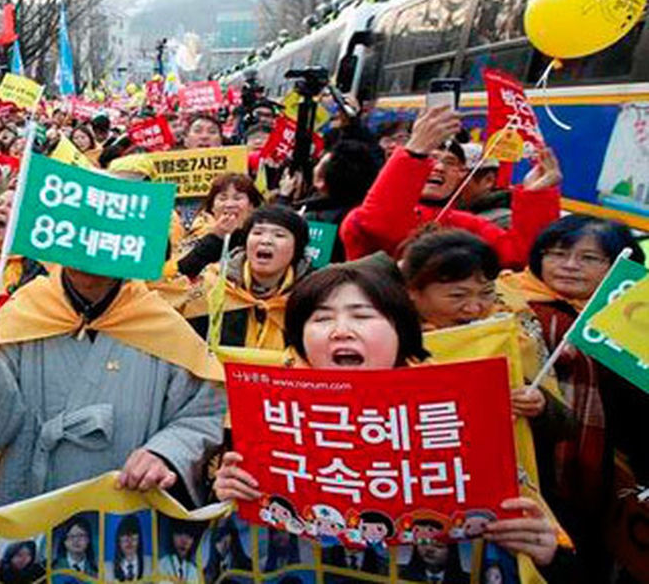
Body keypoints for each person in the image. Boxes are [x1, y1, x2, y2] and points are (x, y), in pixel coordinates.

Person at [212, 264, 560, 568]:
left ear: (401, 330)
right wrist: (227, 496)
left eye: (362, 316)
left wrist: (544, 552)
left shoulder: (459, 413)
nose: (341, 330)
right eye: (321, 318)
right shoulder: (273, 414)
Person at [0, 262, 223, 507]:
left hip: (125, 513)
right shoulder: (24, 312)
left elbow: (202, 414)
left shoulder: (160, 323)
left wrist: (165, 454)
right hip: (30, 509)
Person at [496, 215, 647, 577]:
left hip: (607, 476)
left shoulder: (634, 320)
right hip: (533, 464)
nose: (569, 266)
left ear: (617, 266)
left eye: (588, 258)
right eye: (557, 253)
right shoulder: (507, 303)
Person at [340, 106, 560, 267]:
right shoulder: (357, 218)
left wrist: (535, 197)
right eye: (431, 159)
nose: (438, 168)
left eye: (450, 162)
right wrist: (415, 152)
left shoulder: (467, 224)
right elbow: (380, 226)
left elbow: (521, 256)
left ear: (461, 175)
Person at [179, 204, 311, 348]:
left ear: (297, 247)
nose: (266, 240)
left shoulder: (311, 295)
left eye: (279, 235)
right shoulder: (214, 286)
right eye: (258, 233)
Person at [181, 173, 263, 253]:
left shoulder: (262, 237)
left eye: (237, 198)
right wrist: (216, 236)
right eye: (222, 199)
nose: (229, 204)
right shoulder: (198, 236)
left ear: (252, 206)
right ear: (212, 207)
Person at [109, 514, 149, 581]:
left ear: (139, 540)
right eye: (125, 537)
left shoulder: (151, 565)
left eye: (133, 537)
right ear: (118, 541)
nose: (129, 542)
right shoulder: (107, 569)